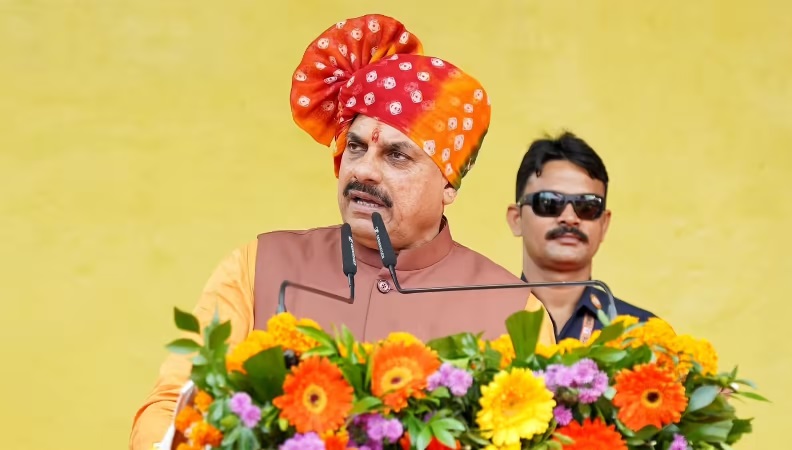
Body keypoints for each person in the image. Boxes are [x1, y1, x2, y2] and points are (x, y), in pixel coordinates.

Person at [130, 14, 556, 450]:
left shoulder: (513, 310)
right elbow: (170, 409)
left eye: (396, 155)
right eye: (356, 146)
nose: (363, 170)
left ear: (449, 183)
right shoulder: (258, 266)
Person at [505, 131, 656, 343]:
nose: (569, 218)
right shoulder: (479, 324)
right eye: (549, 203)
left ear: (604, 224)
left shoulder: (642, 336)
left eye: (587, 206)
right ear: (516, 219)